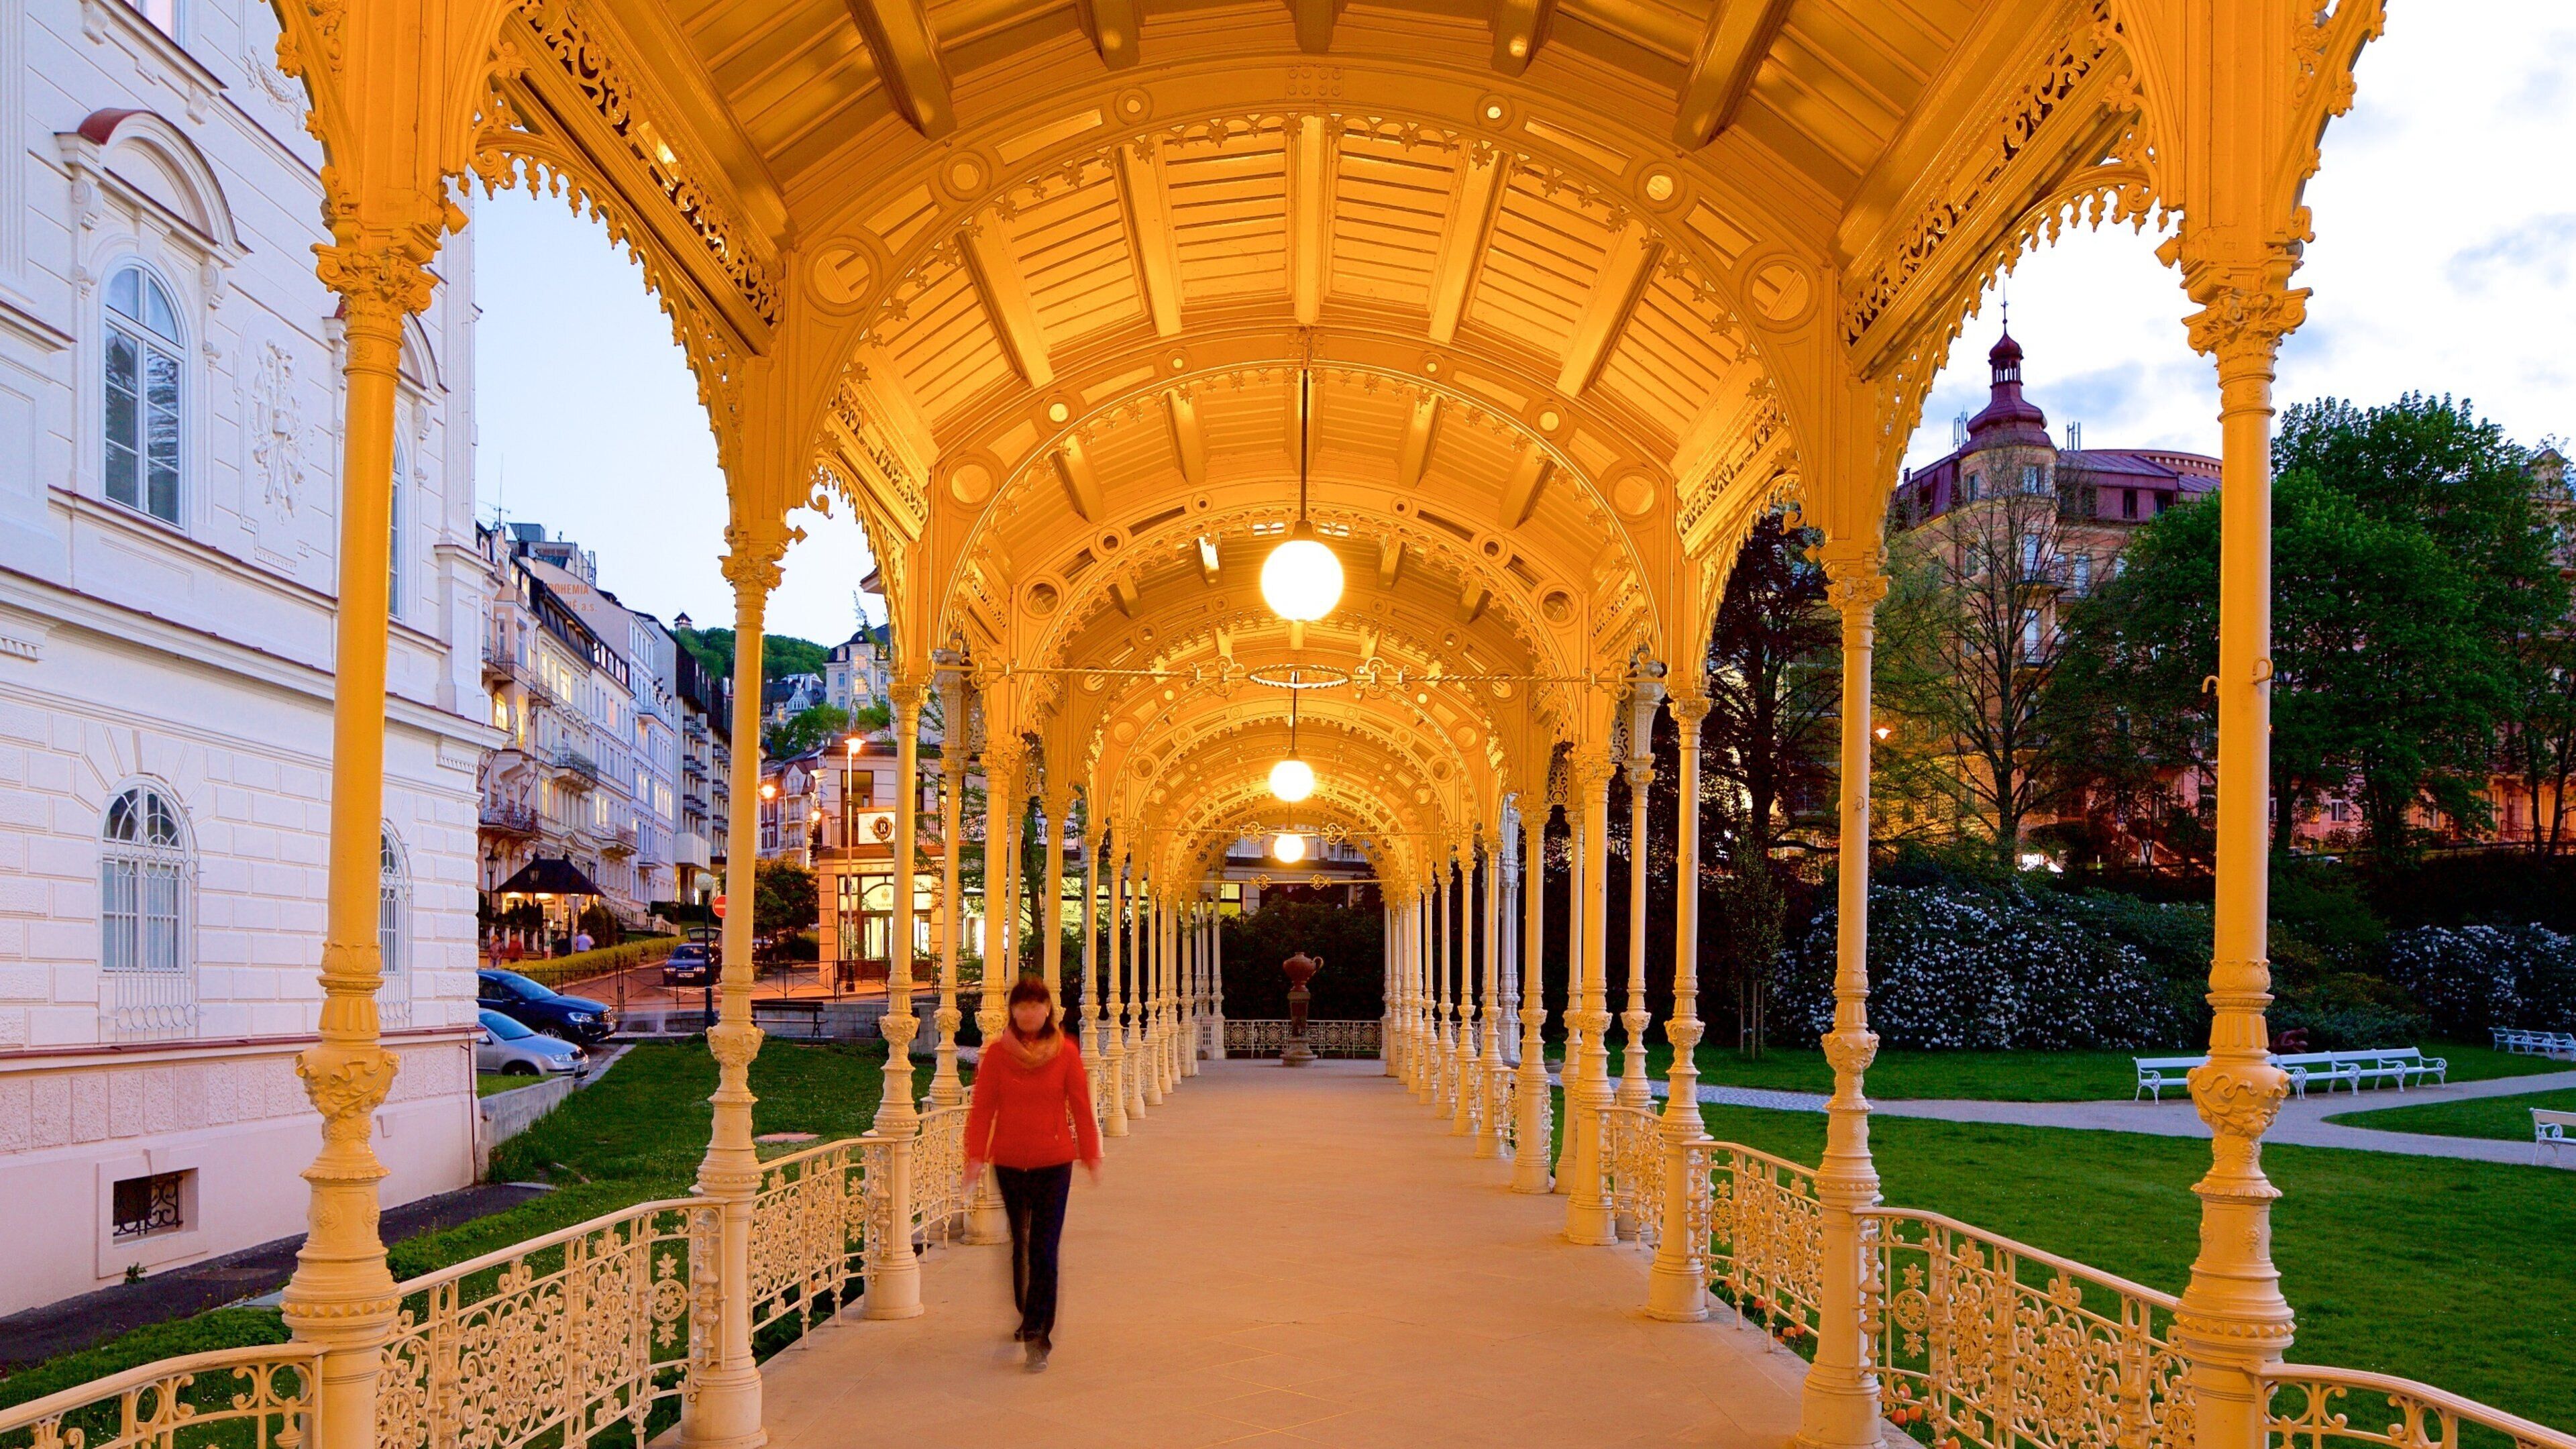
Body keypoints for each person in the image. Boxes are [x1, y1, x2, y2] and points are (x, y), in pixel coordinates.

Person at [962, 978, 1102, 1372]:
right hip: (1009, 1161)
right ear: (1013, 1011)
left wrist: (1090, 1153)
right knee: (1020, 1245)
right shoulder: (996, 1055)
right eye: (1021, 1006)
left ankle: (1040, 1336)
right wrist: (975, 1157)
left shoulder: (1067, 1053)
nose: (1028, 1013)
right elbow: (983, 1109)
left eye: (1035, 1005)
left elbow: (1080, 1106)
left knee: (1044, 1248)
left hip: (1054, 1162)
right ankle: (1028, 1312)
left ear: (1047, 1010)